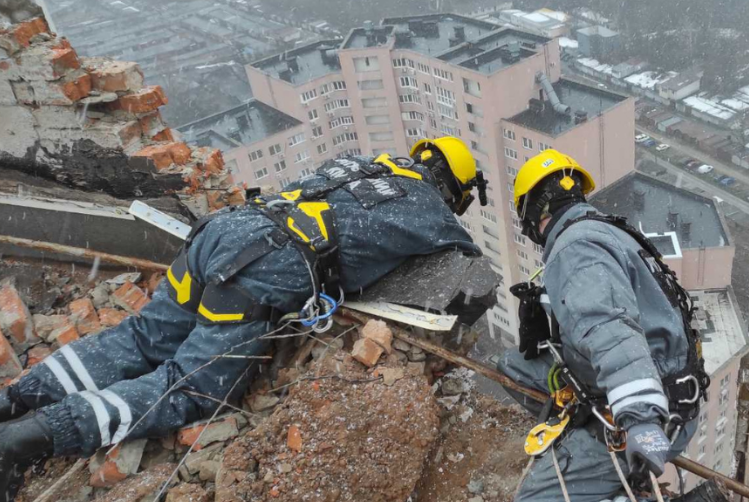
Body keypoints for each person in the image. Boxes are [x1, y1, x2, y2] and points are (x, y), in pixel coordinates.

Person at [0, 136, 487, 499]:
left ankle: (14, 399)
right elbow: (468, 267)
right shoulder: (429, 207)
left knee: (141, 337)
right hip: (261, 268)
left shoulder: (356, 160)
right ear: (454, 187)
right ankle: (23, 440)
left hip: (224, 232)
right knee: (187, 388)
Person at [499, 149, 708, 502]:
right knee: (512, 366)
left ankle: (618, 484)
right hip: (668, 390)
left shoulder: (575, 248)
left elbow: (610, 329)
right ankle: (584, 437)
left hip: (651, 417)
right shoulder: (608, 232)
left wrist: (640, 419)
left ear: (534, 212)